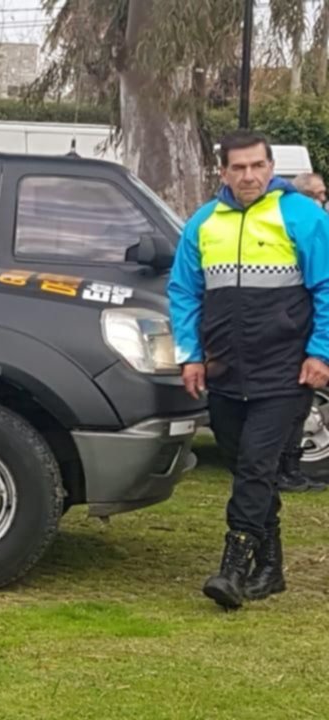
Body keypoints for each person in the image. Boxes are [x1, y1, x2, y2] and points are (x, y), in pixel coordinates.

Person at [168, 129, 329, 610]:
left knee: (257, 468)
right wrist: (190, 355)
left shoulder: (302, 215)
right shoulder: (203, 222)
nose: (249, 175)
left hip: (285, 372)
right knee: (247, 470)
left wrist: (320, 351)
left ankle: (233, 567)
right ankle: (272, 568)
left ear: (270, 166)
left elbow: (326, 286)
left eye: (257, 165)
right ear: (222, 172)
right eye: (238, 167)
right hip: (224, 373)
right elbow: (183, 292)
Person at [278, 173, 329, 493]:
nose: (323, 201)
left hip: (311, 330)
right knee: (290, 405)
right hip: (296, 330)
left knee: (300, 405)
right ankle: (283, 469)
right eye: (319, 195)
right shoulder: (301, 228)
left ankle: (291, 468)